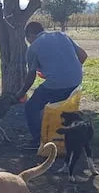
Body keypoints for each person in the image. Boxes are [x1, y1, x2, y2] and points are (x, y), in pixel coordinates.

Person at [15, 21, 88, 151]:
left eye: (28, 39)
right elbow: (83, 56)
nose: (28, 42)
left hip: (56, 84)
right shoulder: (61, 35)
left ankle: (38, 140)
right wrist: (69, 70)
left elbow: (31, 76)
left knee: (31, 107)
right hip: (76, 81)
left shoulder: (33, 48)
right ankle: (67, 138)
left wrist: (21, 92)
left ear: (30, 35)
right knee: (61, 108)